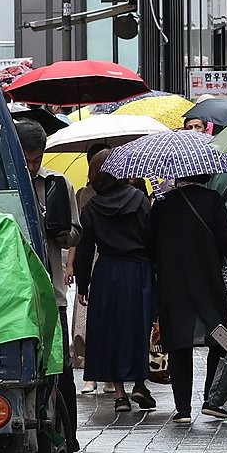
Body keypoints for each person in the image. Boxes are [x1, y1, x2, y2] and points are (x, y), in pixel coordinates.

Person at [15, 119, 98, 453]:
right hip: (14, 293)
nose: (32, 166)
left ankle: (70, 444)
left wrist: (60, 230)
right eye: (27, 159)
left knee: (61, 369)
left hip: (52, 294)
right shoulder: (5, 182)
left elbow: (76, 234)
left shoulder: (57, 184)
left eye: (37, 159)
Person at [75, 151, 157, 413]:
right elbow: (152, 238)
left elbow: (85, 249)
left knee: (110, 330)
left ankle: (120, 394)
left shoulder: (92, 209)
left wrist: (83, 284)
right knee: (138, 327)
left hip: (108, 272)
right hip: (139, 270)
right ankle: (140, 383)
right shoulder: (140, 200)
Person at [148, 175, 227, 424]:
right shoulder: (213, 200)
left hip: (173, 281)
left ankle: (183, 408)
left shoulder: (162, 204)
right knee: (218, 334)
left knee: (179, 341)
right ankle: (212, 398)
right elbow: (224, 242)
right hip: (208, 278)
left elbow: (150, 245)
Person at [68, 145, 109, 395]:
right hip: (90, 258)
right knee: (85, 321)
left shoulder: (129, 192)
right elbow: (78, 237)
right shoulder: (83, 194)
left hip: (105, 259)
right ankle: (89, 371)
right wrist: (71, 264)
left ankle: (106, 376)